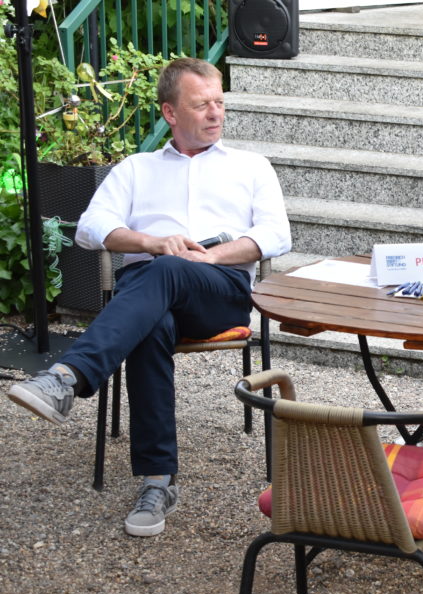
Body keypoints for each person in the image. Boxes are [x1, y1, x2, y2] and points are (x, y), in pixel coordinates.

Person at [7, 58, 291, 537]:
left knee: (165, 275)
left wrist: (214, 256)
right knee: (151, 320)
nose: (216, 114)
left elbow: (276, 234)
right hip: (150, 291)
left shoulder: (251, 166)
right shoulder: (136, 169)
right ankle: (157, 482)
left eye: (219, 102)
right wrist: (153, 242)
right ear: (170, 113)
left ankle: (67, 377)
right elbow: (93, 229)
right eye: (201, 105)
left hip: (217, 290)